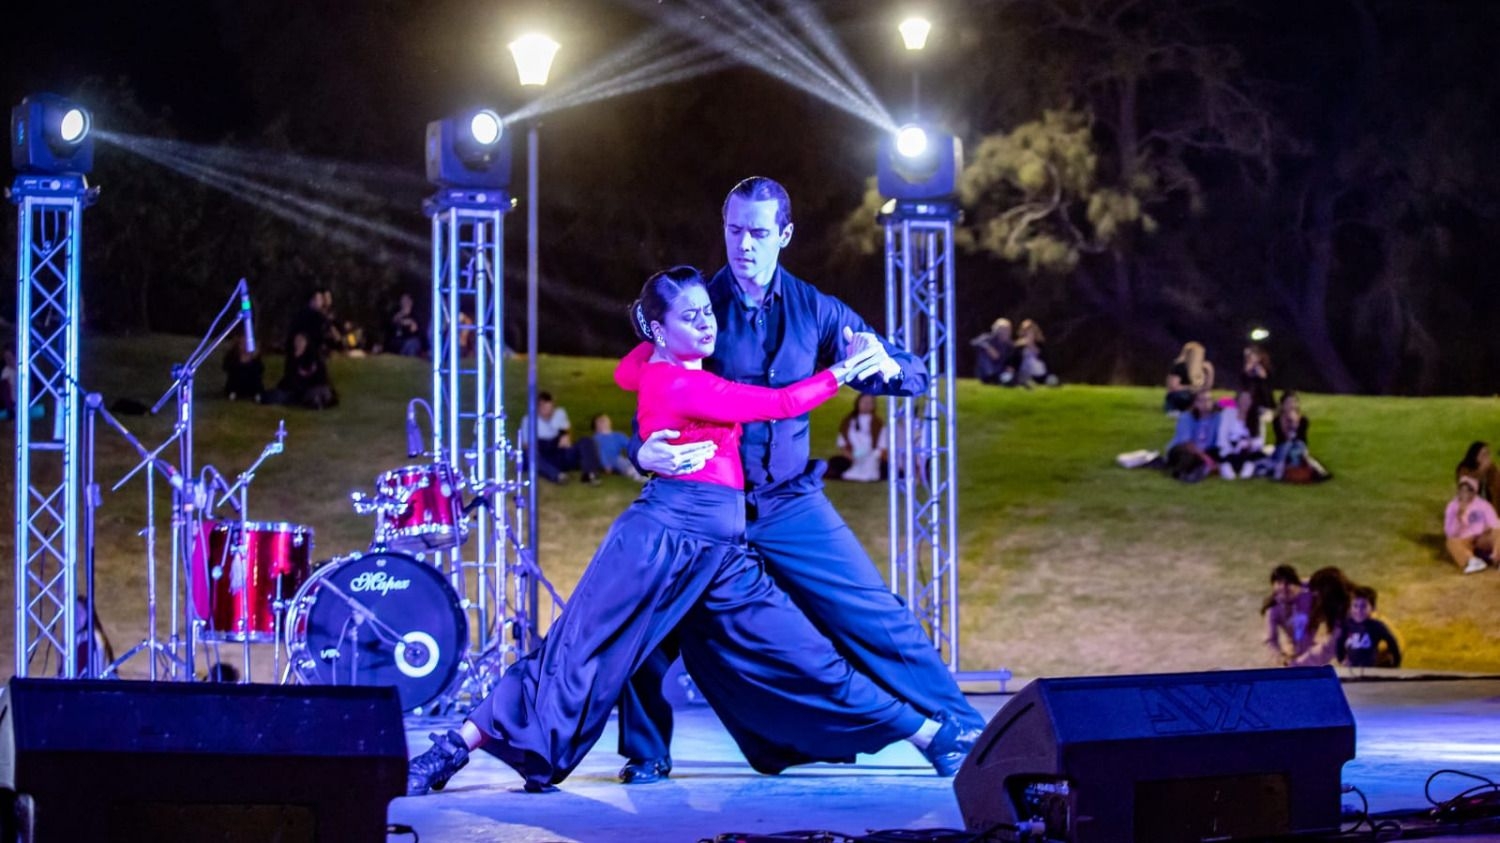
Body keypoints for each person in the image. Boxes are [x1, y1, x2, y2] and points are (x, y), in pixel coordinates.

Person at [405, 267, 970, 796]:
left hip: (723, 549)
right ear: (659, 328)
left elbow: (625, 371)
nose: (706, 324)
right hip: (663, 536)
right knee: (578, 648)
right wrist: (844, 371)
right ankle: (454, 748)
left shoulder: (694, 359)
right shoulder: (681, 383)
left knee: (800, 650)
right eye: (690, 317)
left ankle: (926, 731)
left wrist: (657, 363)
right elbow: (777, 402)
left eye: (707, 313)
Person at [620, 177, 986, 785]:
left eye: (759, 233)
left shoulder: (817, 309)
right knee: (650, 611)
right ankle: (647, 752)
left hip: (790, 500)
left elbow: (909, 372)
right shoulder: (696, 307)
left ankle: (963, 727)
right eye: (734, 231)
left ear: (785, 236)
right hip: (713, 503)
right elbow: (649, 393)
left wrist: (887, 364)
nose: (744, 245)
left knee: (875, 612)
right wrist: (642, 451)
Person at [520, 392, 602, 485]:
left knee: (586, 441)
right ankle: (557, 476)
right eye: (543, 408)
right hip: (543, 453)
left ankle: (590, 474)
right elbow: (526, 444)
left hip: (560, 451)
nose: (548, 412)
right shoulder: (528, 420)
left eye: (550, 408)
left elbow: (567, 431)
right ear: (538, 407)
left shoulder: (560, 413)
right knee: (529, 454)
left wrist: (567, 437)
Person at [1288, 567, 1354, 667]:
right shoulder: (1350, 598)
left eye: (1318, 596)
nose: (1317, 602)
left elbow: (1327, 650)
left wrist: (1296, 664)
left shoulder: (1347, 616)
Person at [1268, 390, 1330, 482]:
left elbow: (1302, 439)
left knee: (1298, 447)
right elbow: (1281, 439)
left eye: (1293, 402)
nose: (1291, 405)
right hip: (1282, 449)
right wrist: (1289, 426)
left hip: (1297, 449)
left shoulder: (1303, 420)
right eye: (1288, 403)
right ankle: (1279, 472)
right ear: (1283, 405)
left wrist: (1295, 425)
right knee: (1286, 446)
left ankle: (1319, 471)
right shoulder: (1277, 421)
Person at [1443, 475, 1498, 574]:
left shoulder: (1483, 505)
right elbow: (1450, 533)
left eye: (1469, 490)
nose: (1465, 493)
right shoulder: (1452, 507)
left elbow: (1495, 525)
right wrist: (1458, 518)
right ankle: (1472, 561)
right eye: (1462, 490)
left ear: (1475, 492)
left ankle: (1498, 559)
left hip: (1481, 539)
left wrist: (1486, 530)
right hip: (1464, 541)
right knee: (1451, 542)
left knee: (1498, 532)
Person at [1338, 586, 1402, 668]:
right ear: (1350, 607)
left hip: (1370, 668)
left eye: (1363, 606)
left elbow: (1391, 641)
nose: (1359, 610)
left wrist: (1396, 661)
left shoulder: (1377, 626)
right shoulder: (1347, 625)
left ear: (1373, 608)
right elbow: (1339, 643)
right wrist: (1342, 659)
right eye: (1355, 606)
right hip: (1351, 668)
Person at [1262, 565, 1314, 666]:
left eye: (1287, 583)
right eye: (1279, 583)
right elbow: (1271, 640)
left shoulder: (1308, 591)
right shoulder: (1273, 609)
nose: (1283, 587)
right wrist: (1280, 657)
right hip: (1295, 652)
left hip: (1315, 648)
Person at [1163, 390, 1220, 482]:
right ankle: (1181, 472)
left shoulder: (1217, 418)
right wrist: (1206, 458)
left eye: (1209, 400)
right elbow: (1187, 444)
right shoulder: (1186, 417)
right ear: (1195, 403)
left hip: (1206, 450)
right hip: (1183, 450)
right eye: (1201, 400)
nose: (1205, 403)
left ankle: (1200, 469)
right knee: (1188, 455)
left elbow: (1232, 403)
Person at [827, 393, 886, 482]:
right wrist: (851, 457)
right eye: (864, 402)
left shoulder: (878, 423)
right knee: (836, 462)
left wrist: (873, 456)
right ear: (858, 403)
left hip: (872, 456)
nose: (866, 405)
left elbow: (882, 447)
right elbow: (842, 444)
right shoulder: (848, 422)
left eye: (870, 403)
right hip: (853, 456)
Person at [269, 333, 336, 409]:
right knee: (280, 395)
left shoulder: (314, 359)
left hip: (311, 388)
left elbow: (321, 378)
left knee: (321, 391)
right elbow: (289, 378)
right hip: (295, 390)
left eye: (301, 342)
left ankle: (318, 402)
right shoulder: (292, 358)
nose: (298, 344)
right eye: (297, 342)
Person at [1213, 390, 1263, 480]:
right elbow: (1222, 436)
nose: (1245, 402)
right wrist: (1233, 449)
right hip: (1230, 448)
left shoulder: (1256, 417)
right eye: (1242, 399)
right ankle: (1226, 466)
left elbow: (1260, 440)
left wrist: (1249, 444)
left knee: (1256, 456)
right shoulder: (1228, 413)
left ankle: (1248, 468)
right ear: (1237, 400)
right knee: (1223, 456)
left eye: (1248, 399)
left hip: (1248, 449)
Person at [586, 413, 645, 482]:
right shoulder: (596, 438)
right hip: (604, 462)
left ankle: (639, 470)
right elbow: (599, 452)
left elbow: (630, 446)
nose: (603, 423)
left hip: (617, 459)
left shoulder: (618, 435)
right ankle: (633, 473)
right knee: (619, 460)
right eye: (600, 421)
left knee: (626, 460)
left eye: (605, 420)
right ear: (595, 426)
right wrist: (606, 465)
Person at [1164, 341, 1214, 413]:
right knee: (1186, 396)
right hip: (1180, 395)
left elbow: (1207, 387)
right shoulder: (1180, 366)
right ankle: (1175, 410)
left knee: (1205, 396)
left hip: (1195, 394)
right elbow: (1173, 387)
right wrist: (1191, 388)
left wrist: (1210, 373)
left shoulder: (1202, 367)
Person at [1011, 319, 1055, 387]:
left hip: (1040, 373)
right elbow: (1013, 362)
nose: (1029, 335)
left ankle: (1044, 381)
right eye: (1026, 333)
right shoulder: (1018, 347)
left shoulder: (1041, 346)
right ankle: (1027, 382)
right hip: (1024, 372)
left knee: (1052, 379)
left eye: (1031, 333)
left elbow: (1047, 361)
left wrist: (1035, 350)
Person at [221, 335, 265, 402]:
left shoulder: (254, 357)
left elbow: (260, 370)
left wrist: (254, 358)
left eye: (246, 344)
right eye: (242, 344)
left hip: (251, 385)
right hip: (235, 384)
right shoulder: (233, 356)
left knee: (255, 379)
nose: (244, 346)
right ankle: (233, 394)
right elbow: (226, 367)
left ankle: (257, 395)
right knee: (236, 377)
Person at [971, 318, 1014, 385]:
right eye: (1004, 330)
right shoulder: (988, 338)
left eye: (1008, 330)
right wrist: (988, 348)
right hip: (987, 371)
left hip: (1001, 372)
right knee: (983, 353)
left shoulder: (1010, 345)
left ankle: (1001, 380)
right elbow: (973, 343)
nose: (1006, 332)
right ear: (997, 330)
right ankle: (991, 377)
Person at [1241, 344, 1275, 419]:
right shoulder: (1245, 371)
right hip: (1248, 405)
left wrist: (1255, 370)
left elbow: (1264, 379)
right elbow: (1244, 386)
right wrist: (1246, 373)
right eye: (1246, 356)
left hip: (1263, 405)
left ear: (1258, 357)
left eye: (1250, 356)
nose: (1247, 358)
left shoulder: (1263, 369)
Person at [387, 292, 424, 357]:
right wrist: (401, 317)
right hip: (397, 341)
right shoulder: (396, 313)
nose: (404, 302)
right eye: (402, 300)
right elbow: (392, 324)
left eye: (406, 300)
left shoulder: (416, 315)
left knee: (412, 344)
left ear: (411, 302)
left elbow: (415, 330)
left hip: (411, 341)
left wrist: (411, 323)